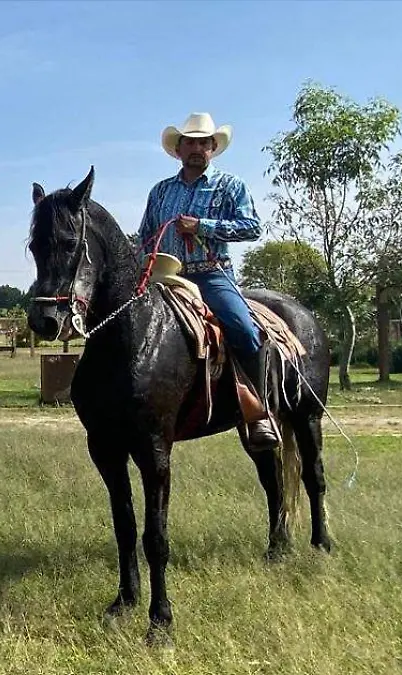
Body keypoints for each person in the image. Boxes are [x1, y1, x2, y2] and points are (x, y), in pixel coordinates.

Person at [137, 112, 278, 449]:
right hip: (165, 276)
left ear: (214, 147)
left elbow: (252, 227)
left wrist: (203, 226)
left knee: (243, 329)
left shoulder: (230, 185)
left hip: (212, 275)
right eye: (190, 142)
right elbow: (144, 235)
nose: (197, 148)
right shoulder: (160, 191)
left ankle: (259, 413)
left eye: (204, 142)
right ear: (179, 149)